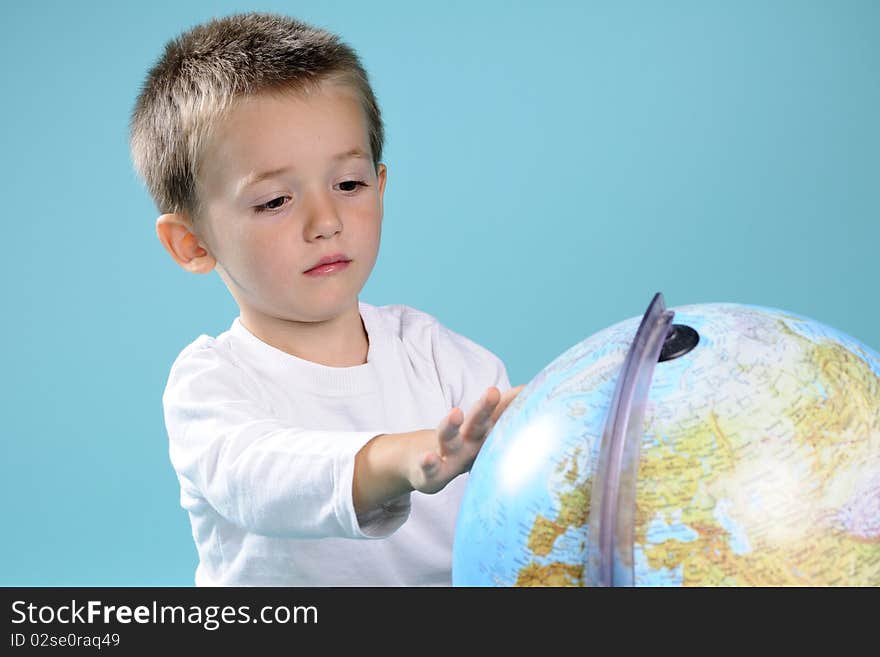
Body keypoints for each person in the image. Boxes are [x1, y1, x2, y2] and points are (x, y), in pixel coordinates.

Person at [129, 12, 525, 586]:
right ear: (191, 242)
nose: (326, 222)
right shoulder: (210, 384)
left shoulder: (435, 354)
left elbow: (522, 489)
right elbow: (263, 479)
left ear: (380, 187)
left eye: (349, 185)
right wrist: (398, 457)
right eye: (273, 201)